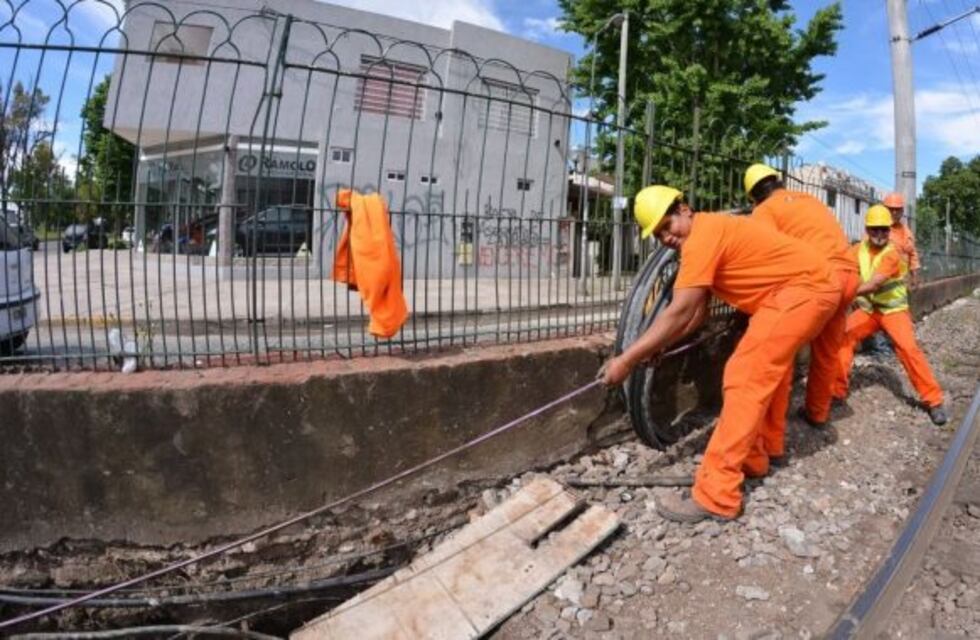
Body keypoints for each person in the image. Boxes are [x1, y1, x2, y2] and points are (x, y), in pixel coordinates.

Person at [601, 186, 839, 523]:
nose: (667, 237)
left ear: (684, 209)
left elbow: (680, 310)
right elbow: (696, 314)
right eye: (658, 235)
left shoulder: (701, 238)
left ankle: (718, 495)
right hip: (806, 288)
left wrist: (626, 360)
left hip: (802, 291)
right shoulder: (709, 234)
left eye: (668, 225)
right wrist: (658, 347)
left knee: (744, 377)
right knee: (769, 374)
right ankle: (758, 456)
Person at [744, 164, 859, 437]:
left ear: (754, 196)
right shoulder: (809, 200)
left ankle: (772, 435)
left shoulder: (765, 210)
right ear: (778, 181)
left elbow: (760, 248)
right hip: (850, 275)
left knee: (783, 347)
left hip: (820, 278)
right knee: (828, 350)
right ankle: (818, 413)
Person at [834, 205, 947, 425]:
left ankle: (934, 401)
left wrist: (843, 293)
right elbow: (841, 266)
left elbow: (874, 283)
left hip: (893, 311)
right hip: (869, 310)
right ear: (867, 229)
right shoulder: (857, 250)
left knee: (908, 349)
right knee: (843, 337)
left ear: (890, 230)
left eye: (884, 230)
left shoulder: (892, 254)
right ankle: (836, 392)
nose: (879, 234)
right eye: (875, 229)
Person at [882, 192, 921, 287]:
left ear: (902, 211)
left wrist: (915, 275)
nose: (894, 212)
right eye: (891, 209)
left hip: (902, 282)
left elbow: (912, 254)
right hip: (883, 279)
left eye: (897, 209)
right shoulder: (877, 230)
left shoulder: (906, 232)